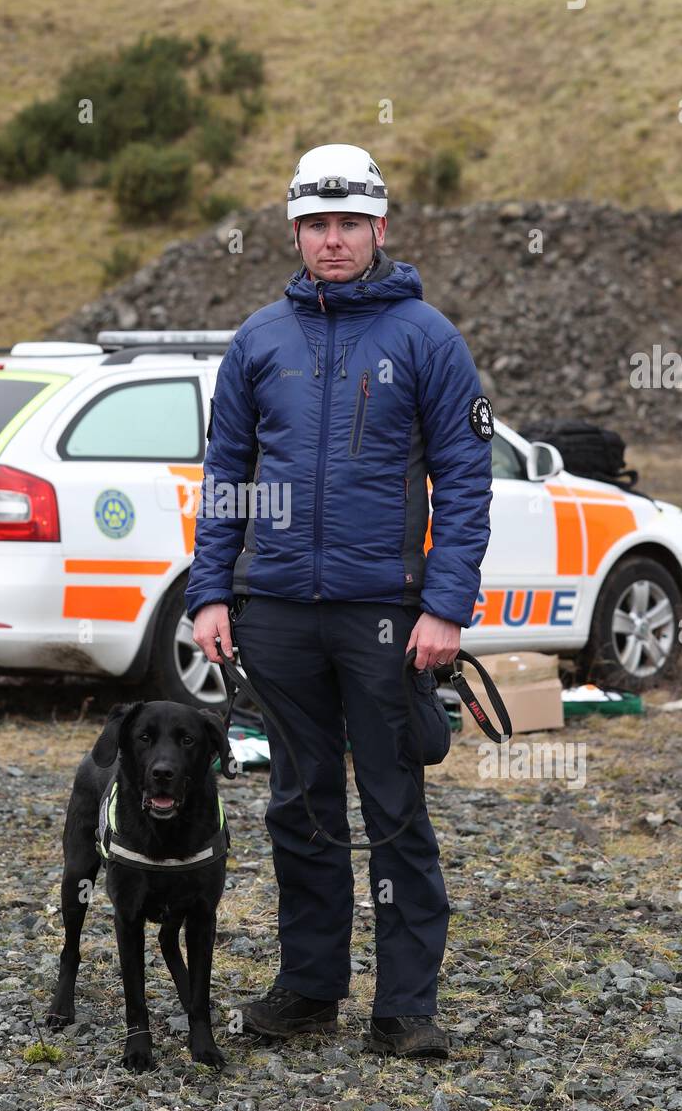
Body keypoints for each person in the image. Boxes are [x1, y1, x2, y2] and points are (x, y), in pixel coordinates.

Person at [185, 143, 494, 1058]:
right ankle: (309, 990)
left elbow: (465, 484)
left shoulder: (427, 338)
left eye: (348, 223)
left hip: (386, 616)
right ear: (293, 230)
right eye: (315, 224)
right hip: (275, 609)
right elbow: (226, 474)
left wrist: (445, 608)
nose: (331, 239)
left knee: (396, 806)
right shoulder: (256, 341)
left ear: (379, 228)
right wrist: (212, 593)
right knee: (299, 804)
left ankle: (405, 1008)